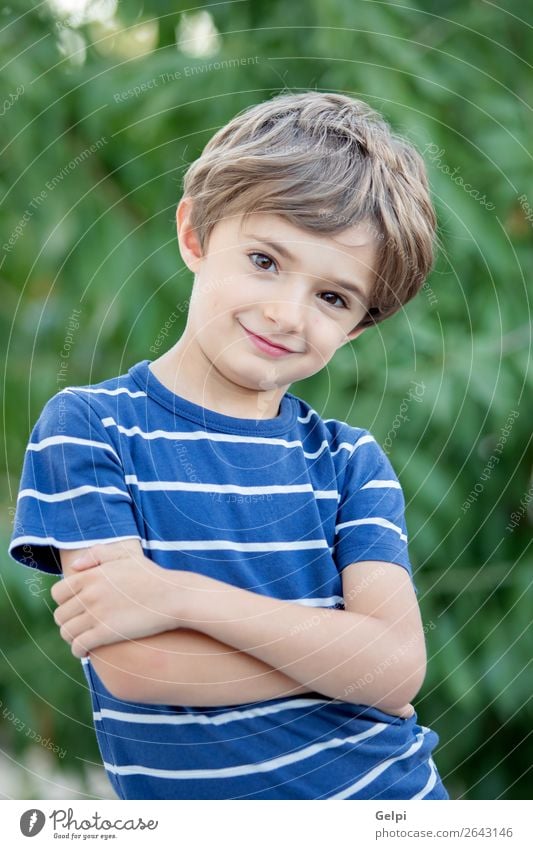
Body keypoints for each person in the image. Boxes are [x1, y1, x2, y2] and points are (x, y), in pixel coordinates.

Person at [9, 91, 449, 800]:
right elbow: (139, 667)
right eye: (264, 260)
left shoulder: (347, 462)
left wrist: (177, 593)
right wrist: (346, 662)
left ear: (358, 327)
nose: (285, 312)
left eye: (332, 298)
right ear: (195, 234)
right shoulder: (89, 428)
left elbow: (397, 667)